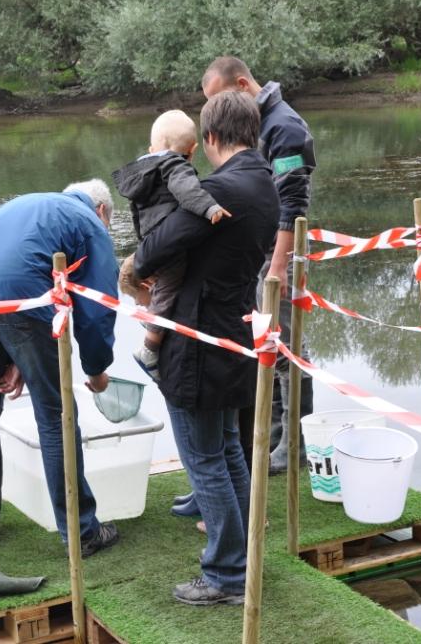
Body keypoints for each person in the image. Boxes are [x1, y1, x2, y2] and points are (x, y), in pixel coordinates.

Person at [134, 92, 278, 605]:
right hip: (236, 331)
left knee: (204, 460)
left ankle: (225, 575)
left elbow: (153, 250)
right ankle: (244, 561)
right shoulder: (266, 183)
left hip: (197, 340)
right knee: (228, 453)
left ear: (210, 138)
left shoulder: (220, 188)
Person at [0, 180, 121, 557]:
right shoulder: (89, 222)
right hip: (16, 295)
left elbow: (13, 266)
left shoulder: (27, 201)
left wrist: (16, 359)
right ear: (103, 212)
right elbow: (97, 310)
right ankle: (82, 532)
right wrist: (97, 370)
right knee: (56, 414)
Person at [202, 55, 316, 475]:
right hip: (257, 253)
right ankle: (269, 440)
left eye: (221, 98)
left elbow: (294, 202)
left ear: (244, 84)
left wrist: (279, 266)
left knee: (285, 348)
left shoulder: (284, 128)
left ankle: (296, 445)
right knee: (262, 345)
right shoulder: (257, 125)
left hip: (279, 257)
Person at [112, 109, 230, 381]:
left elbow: (137, 213)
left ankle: (151, 316)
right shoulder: (175, 165)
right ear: (193, 149)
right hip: (170, 239)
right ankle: (150, 347)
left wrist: (146, 246)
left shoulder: (143, 171)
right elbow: (188, 191)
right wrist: (209, 207)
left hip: (153, 237)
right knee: (170, 286)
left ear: (152, 148)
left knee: (161, 283)